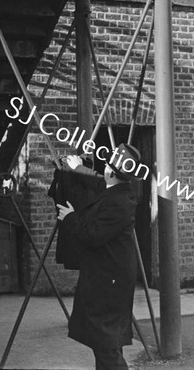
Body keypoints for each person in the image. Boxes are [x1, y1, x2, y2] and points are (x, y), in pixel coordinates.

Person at [56, 143, 144, 370]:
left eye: (106, 165)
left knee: (106, 343)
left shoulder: (118, 204)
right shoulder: (119, 191)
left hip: (109, 280)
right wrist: (78, 169)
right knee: (106, 341)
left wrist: (70, 218)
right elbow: (97, 181)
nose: (103, 168)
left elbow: (92, 235)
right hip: (111, 276)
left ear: (111, 172)